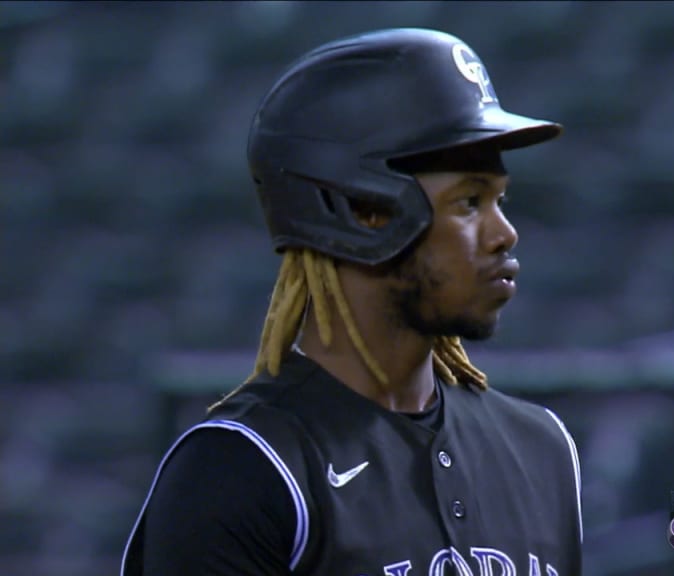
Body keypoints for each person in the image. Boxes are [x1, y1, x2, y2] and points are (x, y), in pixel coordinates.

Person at [120, 27, 582, 576]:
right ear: (365, 211)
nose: (504, 233)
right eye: (469, 202)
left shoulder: (543, 450)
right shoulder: (240, 471)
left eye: (500, 200)